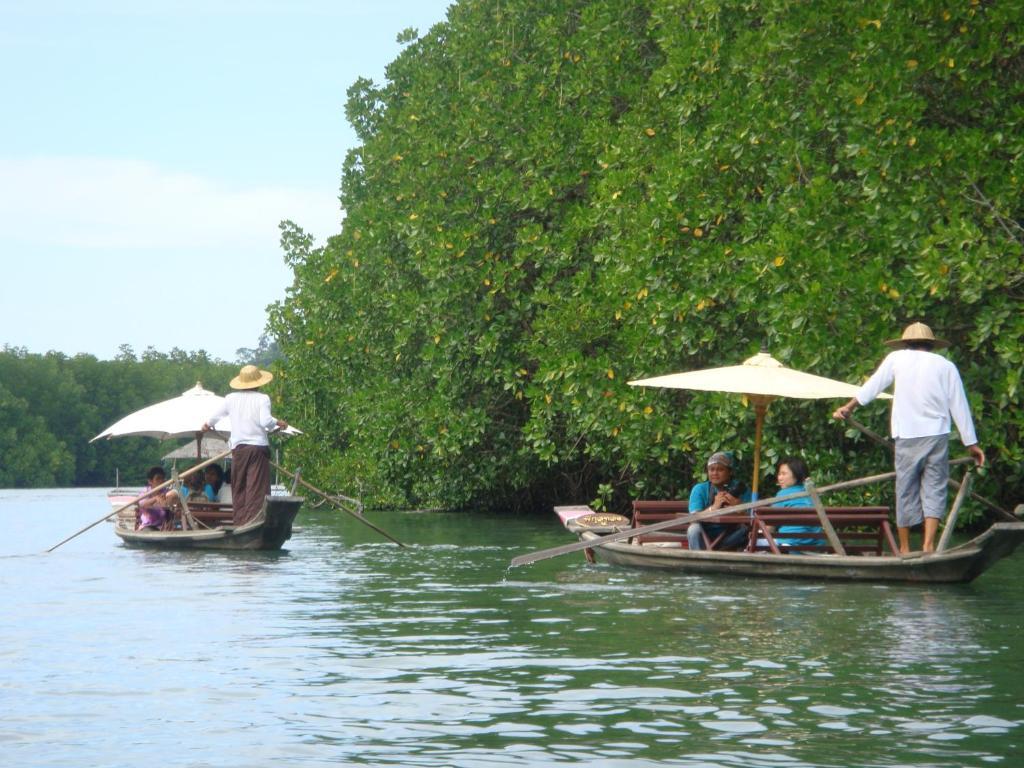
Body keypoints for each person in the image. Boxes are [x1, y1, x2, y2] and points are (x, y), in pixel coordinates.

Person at [833, 322, 985, 554]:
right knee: (935, 487)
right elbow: (959, 405)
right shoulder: (946, 366)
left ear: (906, 343)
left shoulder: (897, 358)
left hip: (907, 435)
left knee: (906, 489)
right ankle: (928, 545)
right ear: (931, 345)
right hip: (937, 434)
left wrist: (849, 406)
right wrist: (971, 443)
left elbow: (873, 385)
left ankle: (904, 548)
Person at [202, 365, 288, 525]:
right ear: (258, 383)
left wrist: (207, 424)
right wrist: (278, 422)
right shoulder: (263, 398)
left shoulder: (230, 398)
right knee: (257, 487)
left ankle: (240, 522)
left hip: (239, 450)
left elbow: (214, 417)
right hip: (257, 449)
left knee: (239, 486)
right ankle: (255, 522)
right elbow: (266, 422)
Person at [687, 451, 753, 550]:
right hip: (705, 537)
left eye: (720, 470)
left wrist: (740, 507)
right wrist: (714, 507)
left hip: (731, 537)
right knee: (693, 529)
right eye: (711, 469)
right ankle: (698, 561)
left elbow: (753, 519)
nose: (715, 473)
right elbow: (693, 518)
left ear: (729, 472)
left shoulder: (741, 489)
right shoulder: (700, 489)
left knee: (745, 530)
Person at [770, 456, 820, 550]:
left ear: (797, 475)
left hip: (788, 545)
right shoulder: (812, 494)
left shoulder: (783, 494)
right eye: (779, 474)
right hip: (816, 548)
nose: (779, 478)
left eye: (784, 474)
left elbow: (769, 527)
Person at [137, 466, 175, 531]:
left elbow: (173, 498)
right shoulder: (145, 492)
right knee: (148, 531)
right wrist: (155, 498)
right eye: (158, 479)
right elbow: (142, 504)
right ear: (150, 481)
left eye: (162, 478)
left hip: (164, 526)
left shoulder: (166, 491)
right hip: (149, 525)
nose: (161, 481)